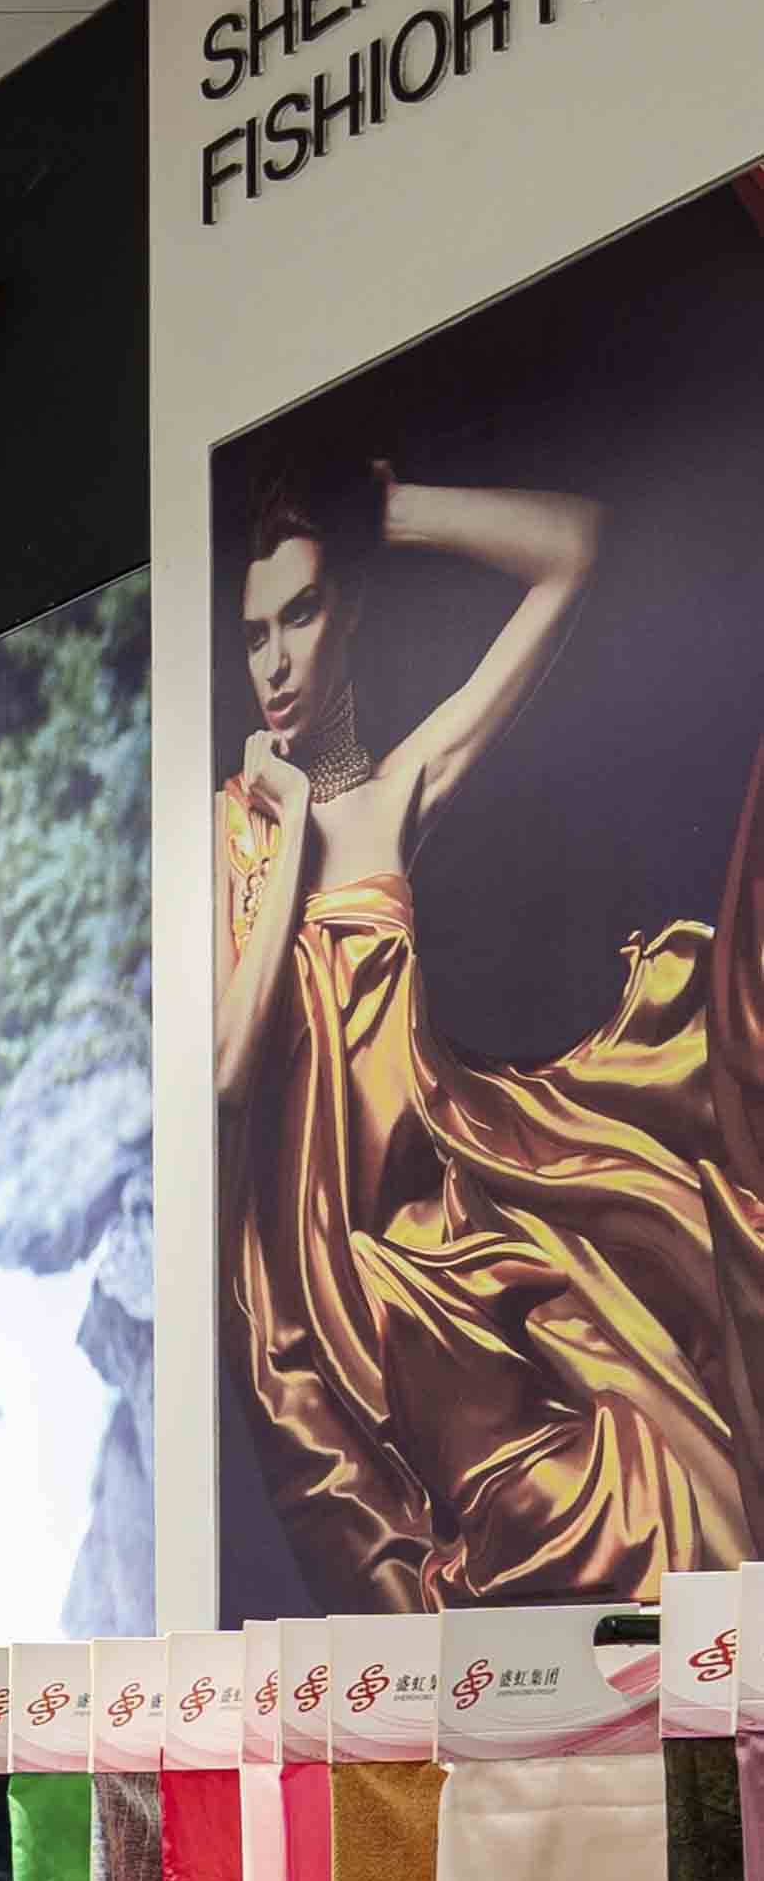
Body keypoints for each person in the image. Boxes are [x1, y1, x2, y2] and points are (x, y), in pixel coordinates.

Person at [215, 452, 764, 1602]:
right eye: (254, 631)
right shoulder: (231, 830)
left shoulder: (397, 788)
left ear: (348, 613)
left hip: (443, 1229)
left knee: (671, 1490)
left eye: (301, 613)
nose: (273, 660)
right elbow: (225, 1064)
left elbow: (572, 550)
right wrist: (292, 824)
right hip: (326, 1284)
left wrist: (382, 511)